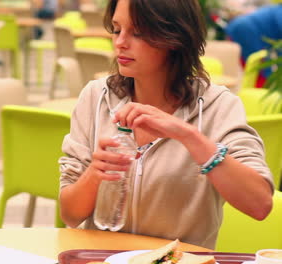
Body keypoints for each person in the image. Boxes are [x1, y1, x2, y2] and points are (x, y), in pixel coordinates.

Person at [58, 0, 274, 249]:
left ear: (175, 37)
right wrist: (95, 174)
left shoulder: (218, 107)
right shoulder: (96, 97)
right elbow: (70, 215)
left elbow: (259, 205)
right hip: (103, 258)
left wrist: (188, 136)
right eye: (117, 30)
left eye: (137, 32)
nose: (120, 42)